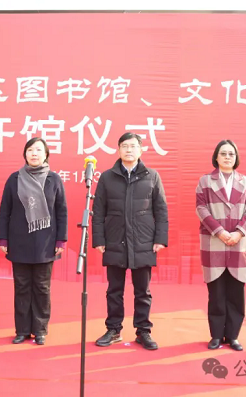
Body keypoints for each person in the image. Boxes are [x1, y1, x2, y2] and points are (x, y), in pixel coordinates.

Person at [92, 132, 168, 351]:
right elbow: (98, 211)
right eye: (124, 146)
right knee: (114, 290)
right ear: (118, 150)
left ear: (141, 150)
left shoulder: (152, 176)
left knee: (143, 291)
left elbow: (161, 210)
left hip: (143, 241)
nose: (129, 150)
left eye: (133, 146)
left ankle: (143, 331)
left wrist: (160, 239)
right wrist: (99, 239)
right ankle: (113, 330)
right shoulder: (107, 177)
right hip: (115, 240)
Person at [0, 137, 67, 345]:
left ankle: (40, 329)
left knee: (42, 287)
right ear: (25, 154)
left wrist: (61, 240)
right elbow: (5, 210)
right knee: (22, 287)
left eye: (38, 150)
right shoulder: (14, 179)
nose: (34, 153)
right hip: (19, 240)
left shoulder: (54, 179)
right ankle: (22, 330)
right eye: (30, 150)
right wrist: (3, 238)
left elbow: (61, 211)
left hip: (46, 242)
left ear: (46, 155)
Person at [196, 140, 246, 352]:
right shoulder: (205, 181)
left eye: (231, 154)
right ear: (216, 157)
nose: (227, 157)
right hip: (214, 241)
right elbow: (201, 208)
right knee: (216, 292)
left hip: (238, 242)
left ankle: (233, 336)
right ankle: (215, 335)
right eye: (223, 153)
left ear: (236, 157)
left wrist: (239, 232)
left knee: (236, 292)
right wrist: (220, 231)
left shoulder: (245, 181)